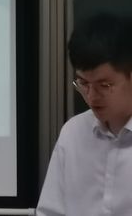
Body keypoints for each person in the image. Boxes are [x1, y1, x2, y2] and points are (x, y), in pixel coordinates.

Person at [36, 13, 132, 216]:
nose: (91, 96)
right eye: (83, 83)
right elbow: (50, 211)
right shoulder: (73, 133)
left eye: (104, 85)